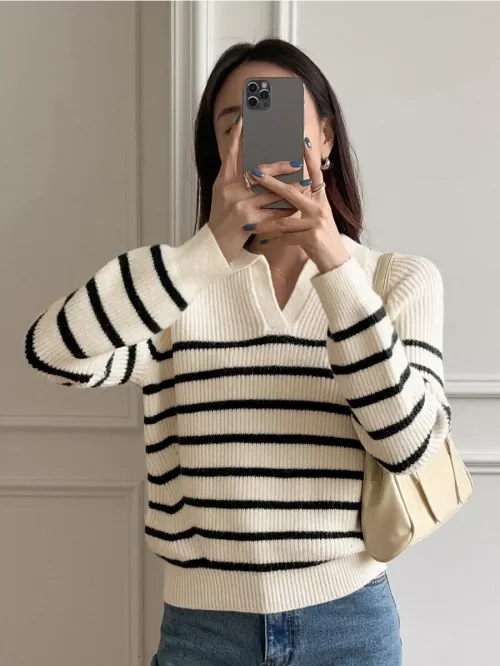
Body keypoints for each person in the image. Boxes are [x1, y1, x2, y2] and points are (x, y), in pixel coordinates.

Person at [25, 38, 450, 666]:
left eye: (280, 116)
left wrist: (332, 262)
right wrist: (208, 250)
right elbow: (52, 353)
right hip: (204, 632)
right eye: (236, 124)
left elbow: (408, 448)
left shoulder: (398, 281)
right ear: (218, 152)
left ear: (325, 139)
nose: (258, 135)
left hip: (349, 624)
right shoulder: (176, 286)